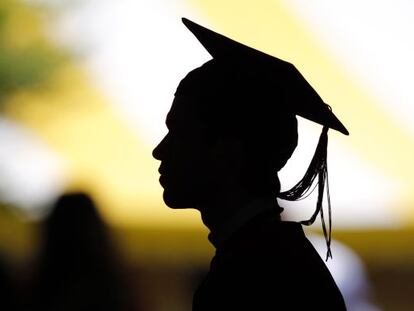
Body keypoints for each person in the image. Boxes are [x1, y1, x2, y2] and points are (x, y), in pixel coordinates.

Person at [153, 18, 348, 310]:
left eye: (180, 133)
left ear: (228, 152)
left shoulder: (256, 276)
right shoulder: (273, 258)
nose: (160, 151)